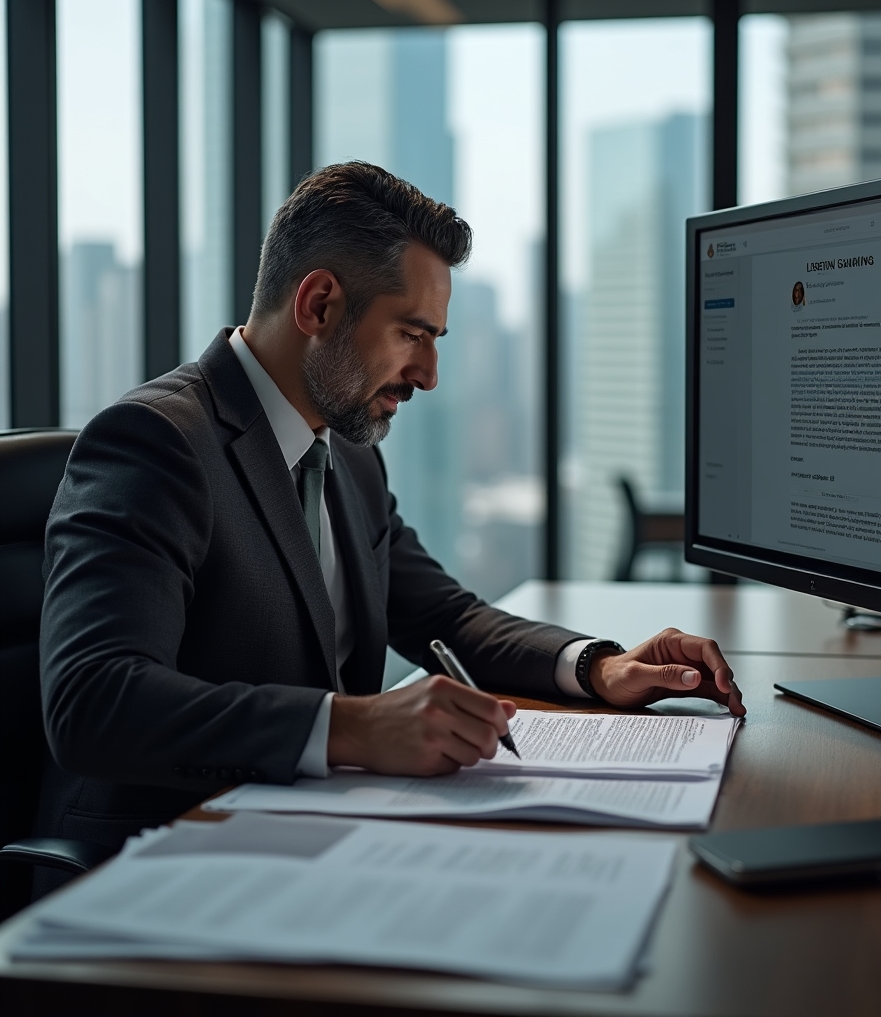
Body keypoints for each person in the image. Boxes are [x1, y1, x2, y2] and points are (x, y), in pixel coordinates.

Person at [38, 162, 743, 866]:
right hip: (170, 858)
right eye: (412, 334)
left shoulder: (345, 451)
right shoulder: (157, 443)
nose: (430, 374)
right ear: (318, 305)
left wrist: (598, 666)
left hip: (321, 838)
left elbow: (445, 617)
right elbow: (94, 700)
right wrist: (353, 728)